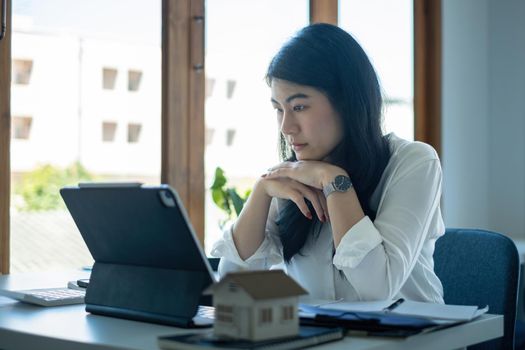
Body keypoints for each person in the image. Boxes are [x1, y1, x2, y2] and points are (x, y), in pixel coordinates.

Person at [211, 23, 444, 303]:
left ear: (347, 103)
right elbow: (234, 287)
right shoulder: (291, 179)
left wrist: (335, 182)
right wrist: (261, 191)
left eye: (299, 107)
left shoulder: (414, 162)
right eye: (278, 109)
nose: (286, 126)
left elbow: (378, 288)